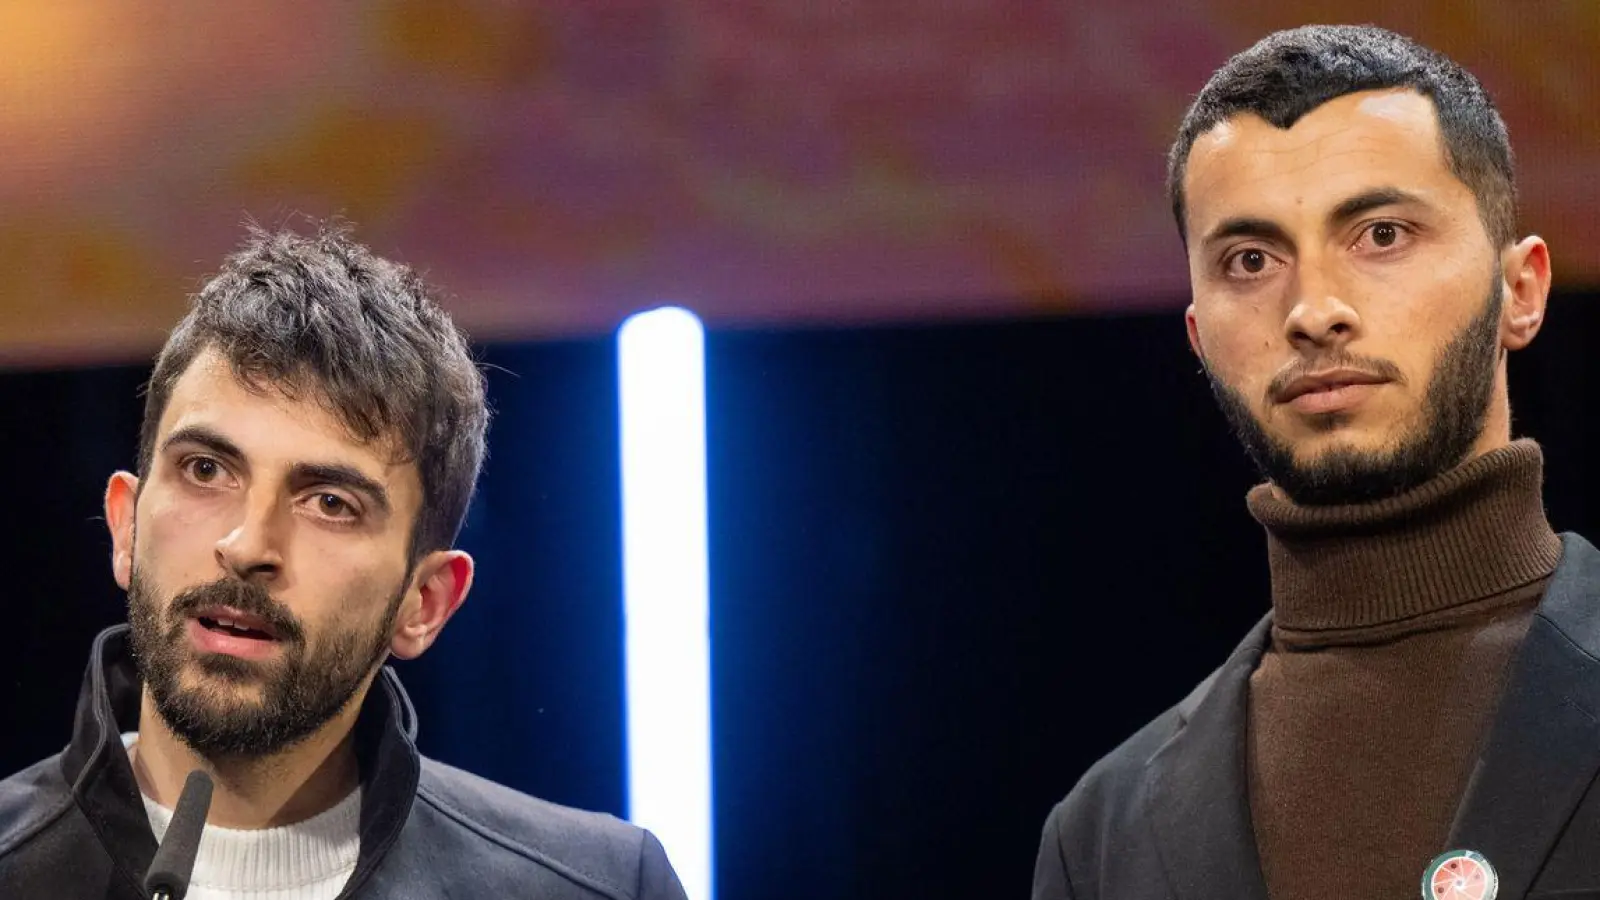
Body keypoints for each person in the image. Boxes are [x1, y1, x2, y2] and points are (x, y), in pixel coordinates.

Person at [1031, 24, 1600, 900]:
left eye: (1380, 235)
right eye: (1250, 261)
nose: (1314, 310)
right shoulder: (1103, 836)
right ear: (1198, 336)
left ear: (1519, 290)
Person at [0, 222, 687, 899]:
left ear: (424, 603)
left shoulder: (600, 887)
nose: (246, 546)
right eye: (206, 469)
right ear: (125, 526)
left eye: (329, 503)